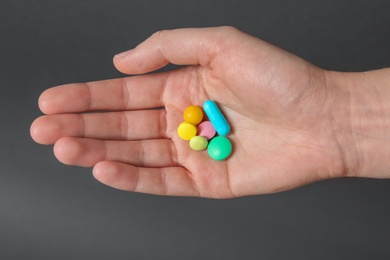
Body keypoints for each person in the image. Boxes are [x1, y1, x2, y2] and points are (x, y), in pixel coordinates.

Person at [30, 26, 390, 198]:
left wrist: (338, 113)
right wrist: (342, 116)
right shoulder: (203, 124)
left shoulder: (207, 125)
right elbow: (202, 133)